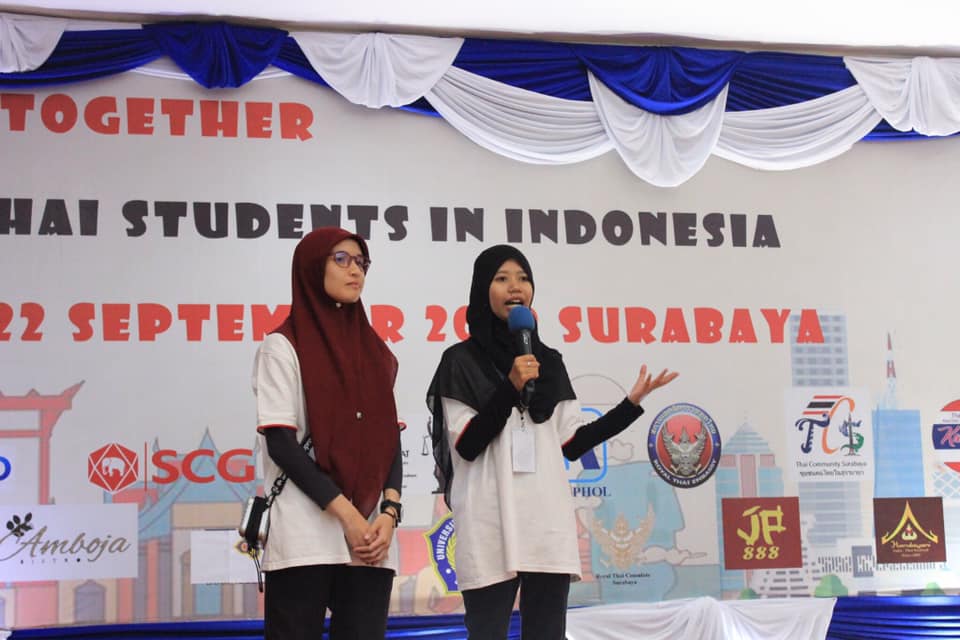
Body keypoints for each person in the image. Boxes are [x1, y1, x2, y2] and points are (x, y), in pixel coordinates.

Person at [427, 245, 678, 639]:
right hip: (489, 520)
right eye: (502, 279)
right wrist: (511, 386)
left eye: (523, 278)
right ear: (482, 289)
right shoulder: (460, 361)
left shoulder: (549, 361)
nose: (515, 287)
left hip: (545, 521)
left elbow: (574, 444)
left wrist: (629, 406)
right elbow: (468, 445)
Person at [253, 227, 403, 640]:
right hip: (306, 533)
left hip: (371, 537)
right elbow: (281, 443)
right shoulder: (282, 347)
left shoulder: (374, 351)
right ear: (310, 268)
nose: (356, 270)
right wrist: (349, 517)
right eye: (341, 259)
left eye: (361, 262)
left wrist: (389, 513)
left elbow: (387, 439)